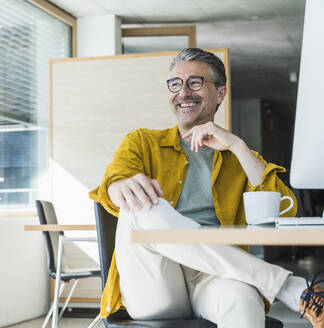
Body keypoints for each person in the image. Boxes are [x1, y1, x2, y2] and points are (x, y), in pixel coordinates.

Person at [89, 48, 324, 328]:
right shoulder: (142, 142)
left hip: (216, 277)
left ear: (220, 94)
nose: (183, 92)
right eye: (175, 84)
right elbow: (114, 184)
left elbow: (285, 212)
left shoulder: (237, 156)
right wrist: (121, 186)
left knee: (243, 300)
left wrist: (237, 146)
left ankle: (286, 288)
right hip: (154, 278)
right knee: (141, 205)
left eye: (195, 82)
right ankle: (289, 287)